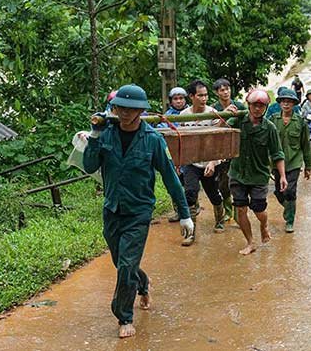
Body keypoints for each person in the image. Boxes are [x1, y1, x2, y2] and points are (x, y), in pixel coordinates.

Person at [83, 84, 194, 338]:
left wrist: (184, 213)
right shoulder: (105, 134)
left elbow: (170, 177)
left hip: (138, 212)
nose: (125, 113)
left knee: (126, 264)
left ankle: (124, 316)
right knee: (121, 262)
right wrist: (94, 136)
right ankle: (142, 284)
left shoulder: (153, 140)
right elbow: (89, 167)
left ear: (140, 111)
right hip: (112, 209)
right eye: (120, 107)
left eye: (131, 109)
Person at [228, 89, 287, 255]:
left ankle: (263, 224)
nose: (257, 109)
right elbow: (220, 130)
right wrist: (226, 115)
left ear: (266, 108)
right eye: (255, 105)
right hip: (238, 173)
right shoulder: (238, 120)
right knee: (240, 209)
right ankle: (250, 242)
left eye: (261, 106)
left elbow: (277, 153)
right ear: (249, 105)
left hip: (258, 175)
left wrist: (282, 176)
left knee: (259, 209)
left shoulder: (270, 128)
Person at [179, 80, 225, 242]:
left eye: (206, 95)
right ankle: (190, 233)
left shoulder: (213, 113)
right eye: (200, 95)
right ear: (191, 96)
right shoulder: (183, 115)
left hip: (209, 161)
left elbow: (218, 139)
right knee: (190, 193)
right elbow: (181, 140)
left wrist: (213, 161)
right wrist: (179, 162)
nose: (204, 98)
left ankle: (220, 219)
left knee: (213, 194)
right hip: (191, 161)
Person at [268, 88, 311, 233]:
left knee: (290, 191)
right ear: (280, 103)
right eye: (283, 101)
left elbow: (306, 145)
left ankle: (289, 220)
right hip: (276, 162)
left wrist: (308, 166)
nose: (286, 104)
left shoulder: (300, 122)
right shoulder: (273, 120)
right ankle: (288, 208)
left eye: (289, 102)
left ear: (294, 104)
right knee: (279, 191)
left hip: (294, 161)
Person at [212, 78, 244, 224]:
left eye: (227, 89)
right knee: (223, 183)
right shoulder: (214, 108)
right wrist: (224, 115)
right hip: (221, 150)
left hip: (237, 148)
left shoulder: (239, 105)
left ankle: (239, 214)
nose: (225, 92)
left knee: (237, 182)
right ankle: (228, 211)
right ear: (216, 93)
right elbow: (212, 130)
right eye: (221, 90)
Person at [159, 86, 190, 222]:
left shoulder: (191, 112)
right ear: (171, 101)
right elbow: (160, 131)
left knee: (189, 185)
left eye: (181, 98)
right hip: (173, 155)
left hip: (188, 154)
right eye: (175, 99)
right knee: (174, 184)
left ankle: (191, 209)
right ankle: (178, 211)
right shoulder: (167, 116)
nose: (179, 101)